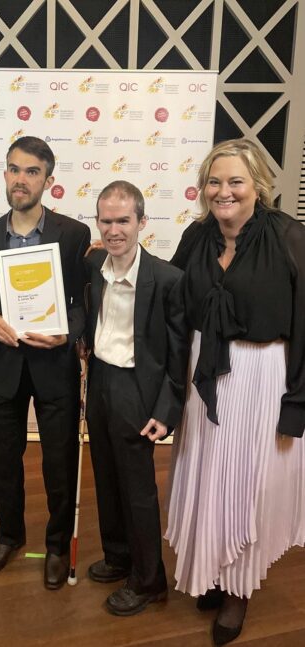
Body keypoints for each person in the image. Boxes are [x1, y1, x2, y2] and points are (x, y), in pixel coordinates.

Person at [165, 138, 305, 645]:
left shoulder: (290, 237)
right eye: (214, 181)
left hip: (260, 377)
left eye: (235, 181)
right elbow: (169, 294)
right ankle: (214, 569)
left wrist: (297, 406)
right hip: (203, 376)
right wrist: (114, 264)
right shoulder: (196, 235)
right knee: (208, 477)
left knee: (245, 484)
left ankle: (238, 588)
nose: (223, 192)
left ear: (258, 185)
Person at [0, 136, 91, 589]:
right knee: (4, 457)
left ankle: (57, 545)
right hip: (4, 366)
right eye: (14, 169)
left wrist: (70, 331)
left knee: (59, 460)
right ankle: (8, 536)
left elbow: (83, 302)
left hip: (54, 364)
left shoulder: (73, 235)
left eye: (32, 172)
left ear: (49, 181)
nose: (21, 179)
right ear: (5, 174)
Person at [83, 180, 189, 615]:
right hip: (101, 381)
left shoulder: (168, 280)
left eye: (123, 220)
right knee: (106, 478)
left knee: (138, 489)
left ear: (141, 222)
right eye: (106, 220)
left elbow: (180, 355)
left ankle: (149, 580)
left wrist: (166, 411)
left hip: (137, 389)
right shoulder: (93, 266)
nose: (114, 230)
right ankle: (118, 556)